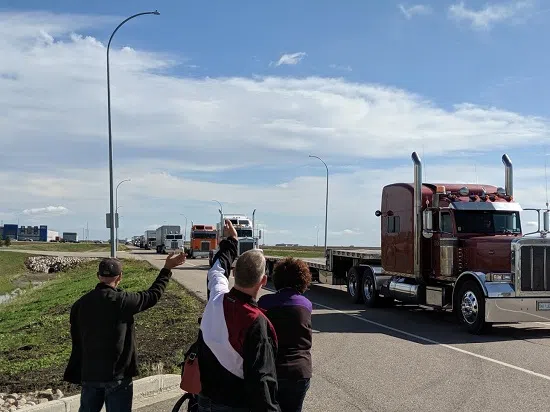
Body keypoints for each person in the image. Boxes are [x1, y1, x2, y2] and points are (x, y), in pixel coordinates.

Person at [63, 252, 187, 412]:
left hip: (90, 373)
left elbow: (77, 337)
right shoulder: (123, 300)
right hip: (118, 376)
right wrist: (166, 269)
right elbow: (153, 295)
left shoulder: (80, 304)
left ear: (98, 276)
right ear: (120, 276)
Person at [197, 219, 280, 411]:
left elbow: (217, 269)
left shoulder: (216, 298)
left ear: (233, 273)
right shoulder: (255, 321)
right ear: (264, 281)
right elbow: (263, 382)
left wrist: (231, 240)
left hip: (203, 400)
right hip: (233, 404)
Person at [258, 257, 313, 412]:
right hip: (300, 371)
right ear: (303, 280)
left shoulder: (265, 302)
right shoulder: (306, 304)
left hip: (272, 370)